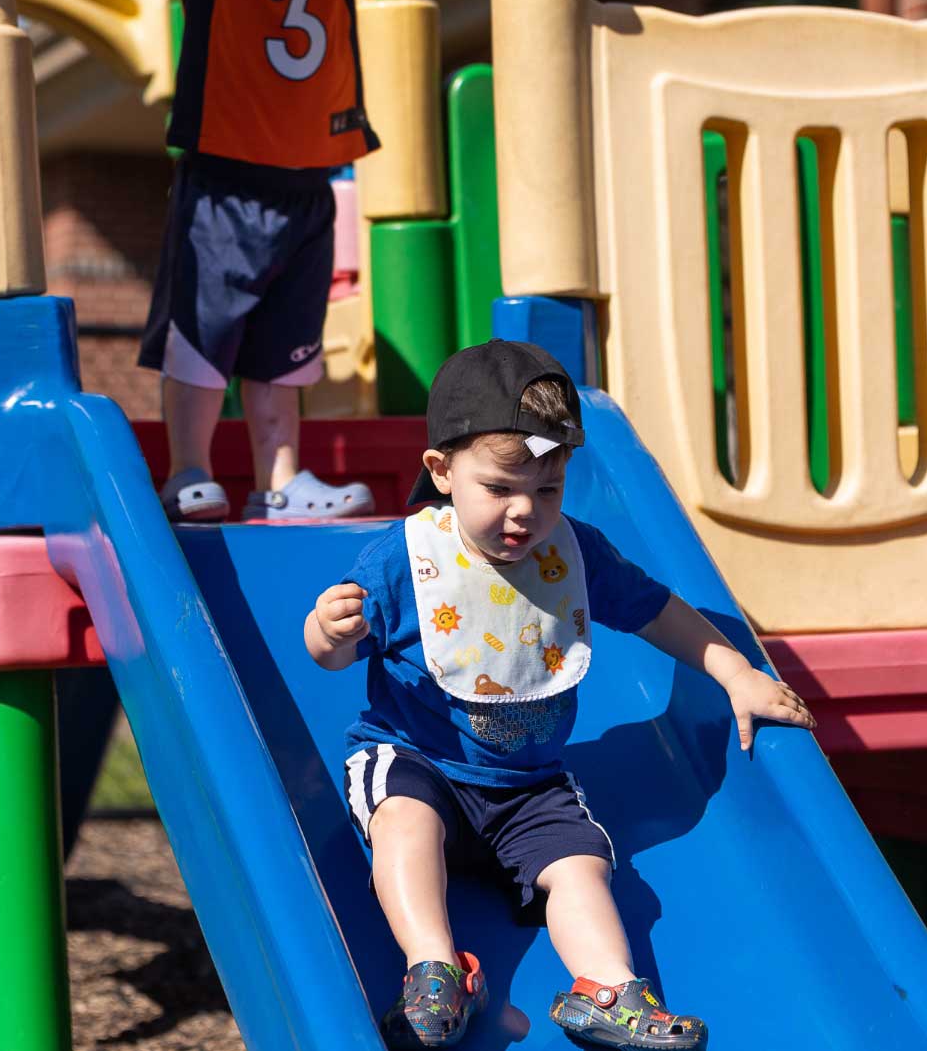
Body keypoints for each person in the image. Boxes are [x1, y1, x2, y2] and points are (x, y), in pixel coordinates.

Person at [303, 340, 817, 1049]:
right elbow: (332, 655)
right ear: (443, 471)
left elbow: (657, 609)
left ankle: (607, 989)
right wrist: (327, 630)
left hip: (526, 785)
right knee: (403, 820)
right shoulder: (407, 559)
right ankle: (435, 969)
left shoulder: (570, 553)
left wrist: (736, 672)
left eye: (548, 490)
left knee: (582, 865)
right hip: (420, 760)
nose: (525, 513)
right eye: (500, 488)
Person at [141, 0, 396, 521]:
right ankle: (187, 469)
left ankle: (280, 481)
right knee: (201, 336)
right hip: (224, 178)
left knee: (286, 349)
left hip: (309, 184)